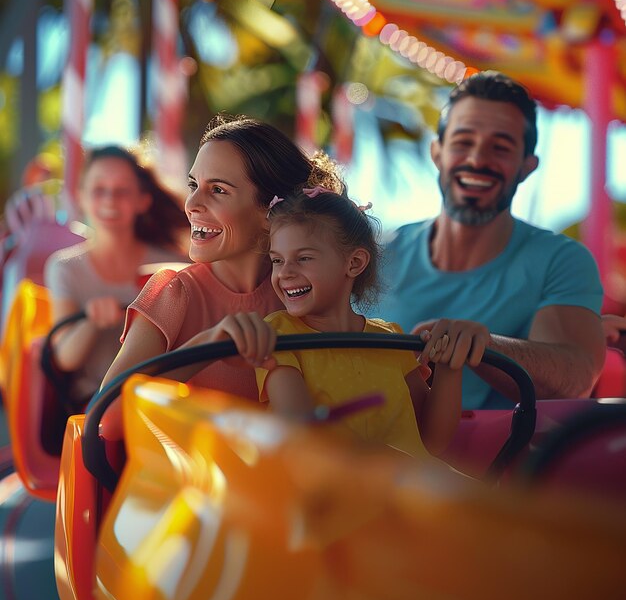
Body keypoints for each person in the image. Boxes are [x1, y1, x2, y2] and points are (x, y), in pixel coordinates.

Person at [97, 116, 344, 439]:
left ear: (272, 214)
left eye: (217, 190)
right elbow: (106, 420)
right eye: (193, 185)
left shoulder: (304, 296)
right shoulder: (173, 293)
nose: (193, 204)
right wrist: (206, 344)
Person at [374, 71, 606, 409]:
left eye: (500, 147)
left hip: (490, 460)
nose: (478, 160)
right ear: (437, 152)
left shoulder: (561, 260)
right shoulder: (375, 254)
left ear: (527, 166)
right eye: (463, 142)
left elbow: (575, 379)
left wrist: (483, 346)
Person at [251, 188, 489, 457]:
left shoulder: (389, 338)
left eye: (304, 258)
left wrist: (448, 367)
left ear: (354, 263)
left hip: (408, 491)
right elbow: (303, 433)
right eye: (277, 261)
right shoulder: (278, 335)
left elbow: (433, 440)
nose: (285, 273)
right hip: (339, 491)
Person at [44, 145, 190, 406]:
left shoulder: (176, 265)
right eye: (99, 190)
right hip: (93, 406)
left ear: (142, 200)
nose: (110, 199)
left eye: (122, 191)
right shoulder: (64, 267)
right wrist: (91, 320)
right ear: (82, 197)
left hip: (158, 400)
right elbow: (65, 357)